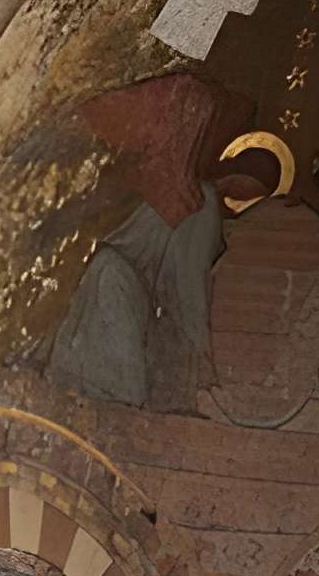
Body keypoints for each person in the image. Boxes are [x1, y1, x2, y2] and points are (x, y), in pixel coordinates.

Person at [48, 141, 283, 410]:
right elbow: (189, 283)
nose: (246, 195)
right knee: (121, 396)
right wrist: (203, 353)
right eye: (251, 185)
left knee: (110, 395)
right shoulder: (203, 202)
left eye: (257, 193)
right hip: (117, 284)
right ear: (239, 173)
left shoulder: (201, 198)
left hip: (111, 278)